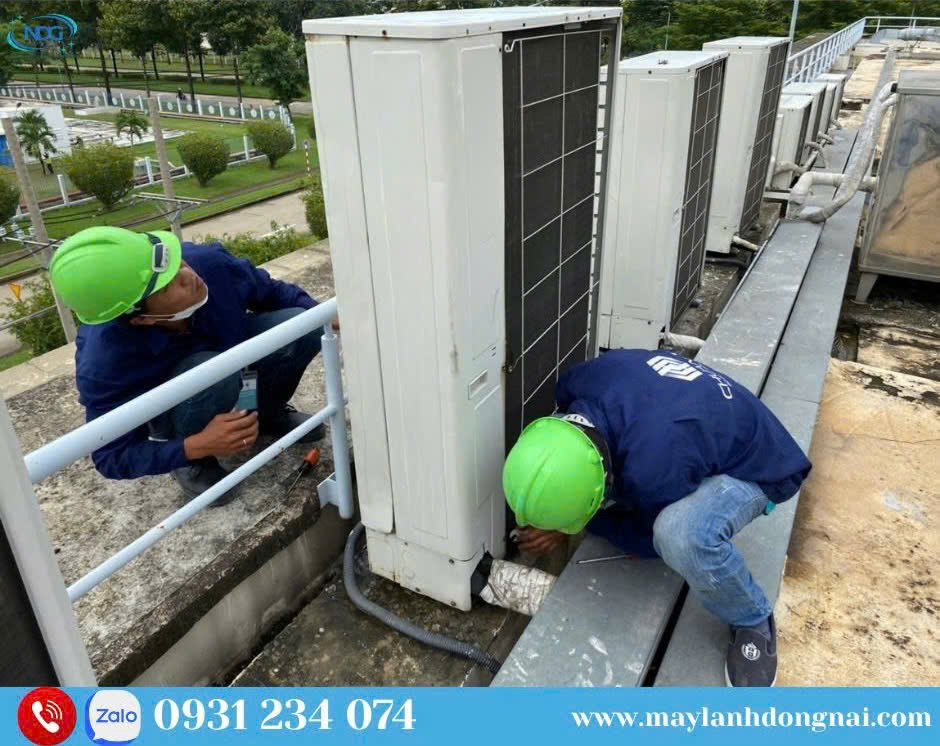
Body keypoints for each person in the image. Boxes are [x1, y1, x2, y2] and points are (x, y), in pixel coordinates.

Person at [502, 349, 812, 687]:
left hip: (764, 466)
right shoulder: (576, 383)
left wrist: (579, 522)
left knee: (680, 535)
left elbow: (647, 541)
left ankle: (751, 617)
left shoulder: (653, 468)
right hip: (706, 412)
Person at [49, 226, 325, 505]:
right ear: (142, 318)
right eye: (167, 286)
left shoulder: (207, 263)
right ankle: (194, 462)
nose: (188, 275)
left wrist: (326, 314)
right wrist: (194, 446)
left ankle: (266, 414)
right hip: (184, 402)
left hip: (239, 363)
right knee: (212, 372)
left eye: (176, 262)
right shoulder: (106, 361)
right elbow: (110, 455)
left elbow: (270, 291)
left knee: (305, 325)